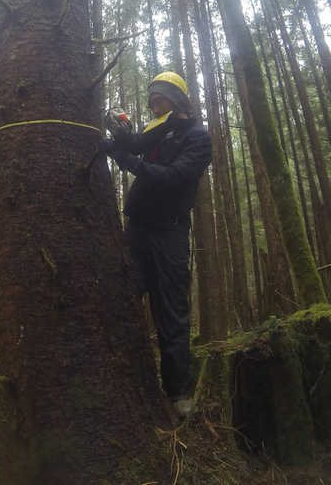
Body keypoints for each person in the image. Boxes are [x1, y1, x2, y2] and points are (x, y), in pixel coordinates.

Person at [105, 71, 212, 420]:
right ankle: (119, 380)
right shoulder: (157, 128)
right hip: (137, 231)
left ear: (176, 98)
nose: (153, 102)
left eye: (159, 96)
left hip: (170, 233)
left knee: (171, 313)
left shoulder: (197, 137)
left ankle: (179, 392)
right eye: (151, 97)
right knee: (120, 296)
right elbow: (134, 144)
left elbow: (176, 177)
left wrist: (131, 162)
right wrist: (118, 139)